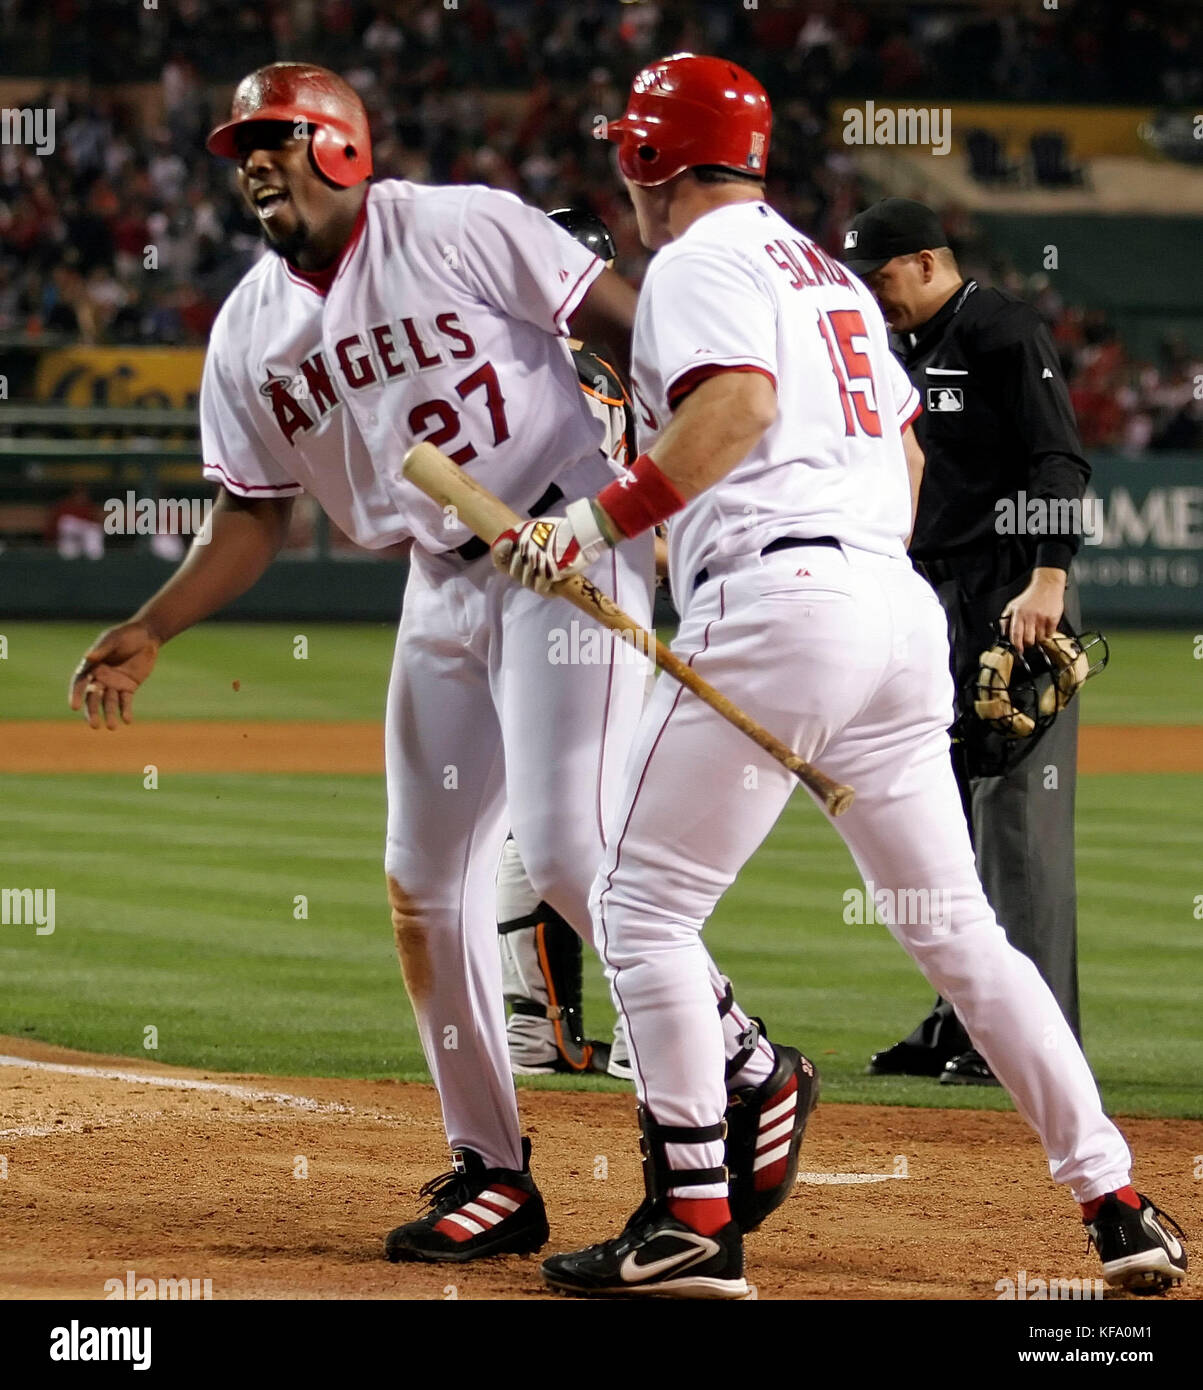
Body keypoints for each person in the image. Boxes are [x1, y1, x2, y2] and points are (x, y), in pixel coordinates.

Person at [67, 62, 814, 1266]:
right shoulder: (251, 328)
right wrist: (155, 623)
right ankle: (495, 1170)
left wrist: (649, 490)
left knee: (571, 848)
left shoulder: (459, 223)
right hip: (443, 578)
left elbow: (637, 327)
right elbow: (252, 517)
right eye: (243, 145)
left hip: (563, 542)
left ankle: (748, 1066)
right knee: (423, 888)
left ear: (345, 149)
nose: (254, 160)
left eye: (279, 137)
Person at [494, 52, 1187, 1299]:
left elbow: (738, 411)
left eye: (628, 150)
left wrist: (590, 529)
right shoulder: (828, 274)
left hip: (780, 603)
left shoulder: (698, 263)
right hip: (893, 605)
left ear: (653, 159)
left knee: (641, 908)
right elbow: (910, 464)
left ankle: (692, 1216)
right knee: (962, 935)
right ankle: (1120, 1199)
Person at [842, 198, 1090, 1086]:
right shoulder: (895, 343)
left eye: (880, 276)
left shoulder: (997, 327)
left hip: (1010, 585)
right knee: (940, 818)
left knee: (1015, 819)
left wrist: (1049, 578)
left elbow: (1058, 459)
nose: (874, 295)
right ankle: (962, 1019)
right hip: (928, 591)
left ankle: (1036, 1032)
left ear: (924, 260)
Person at [497, 207, 634, 1082]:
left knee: (536, 817)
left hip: (535, 589)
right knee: (603, 817)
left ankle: (534, 1026)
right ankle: (636, 1031)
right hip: (595, 590)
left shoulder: (523, 369)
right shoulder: (613, 372)